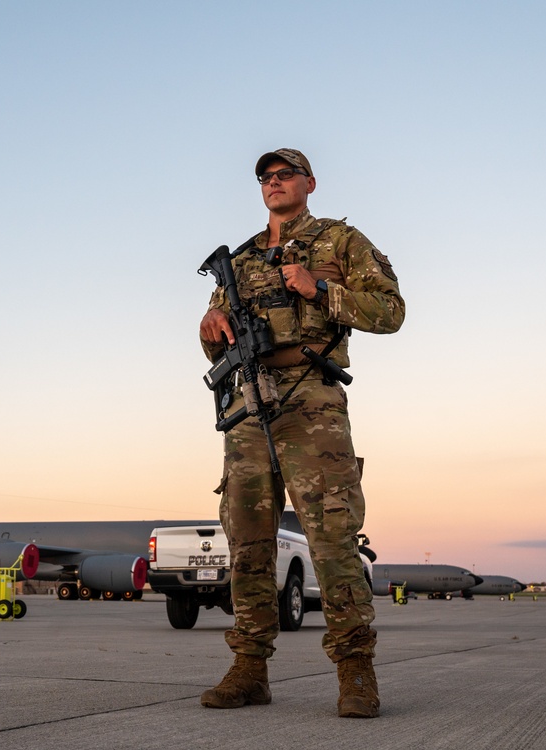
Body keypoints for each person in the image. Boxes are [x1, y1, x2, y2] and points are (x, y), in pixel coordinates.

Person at [198, 148, 404, 717]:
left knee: (333, 539)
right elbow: (217, 338)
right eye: (265, 177)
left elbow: (390, 311)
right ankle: (249, 670)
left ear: (309, 183)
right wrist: (210, 330)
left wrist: (319, 290)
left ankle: (356, 672)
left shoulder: (340, 240)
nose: (273, 183)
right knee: (247, 542)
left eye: (285, 174)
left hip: (311, 397)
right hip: (249, 403)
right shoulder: (236, 264)